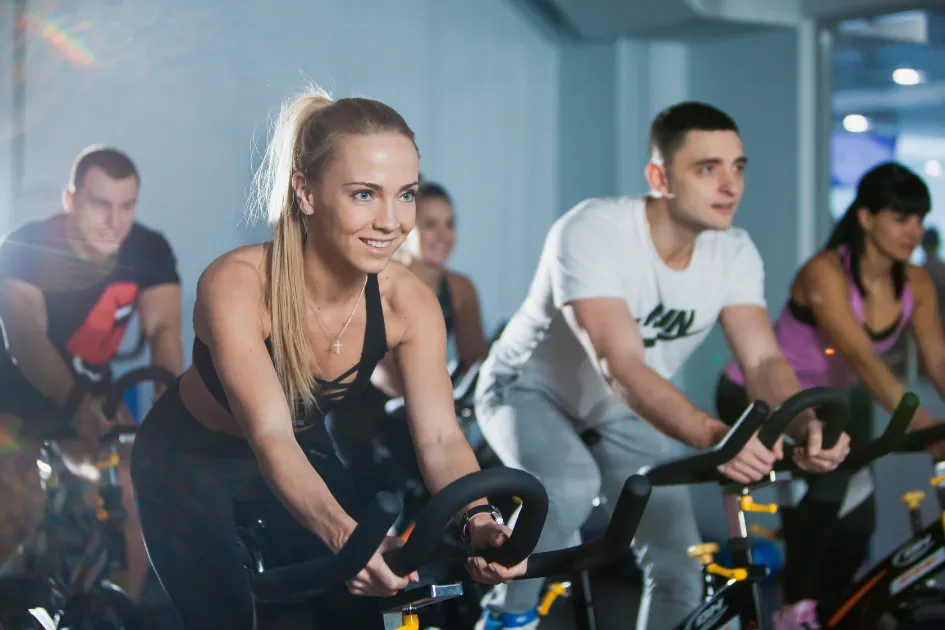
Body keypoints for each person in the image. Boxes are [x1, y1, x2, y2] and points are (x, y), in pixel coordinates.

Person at [129, 89, 526, 630]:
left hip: (302, 449)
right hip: (188, 460)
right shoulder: (238, 284)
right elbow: (269, 433)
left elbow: (438, 437)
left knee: (357, 615)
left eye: (405, 194)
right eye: (365, 194)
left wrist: (478, 518)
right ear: (306, 193)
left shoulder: (408, 303)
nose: (392, 222)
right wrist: (346, 537)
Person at [472, 102, 851, 630]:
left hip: (616, 409)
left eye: (738, 166)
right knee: (570, 484)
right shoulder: (592, 229)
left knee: (679, 562)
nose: (729, 184)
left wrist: (806, 425)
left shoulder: (735, 252)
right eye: (707, 168)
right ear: (659, 177)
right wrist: (717, 437)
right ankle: (505, 619)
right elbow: (619, 363)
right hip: (525, 388)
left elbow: (763, 359)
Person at [717, 161, 945, 628]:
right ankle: (791, 611)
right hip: (757, 396)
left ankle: (830, 609)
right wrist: (930, 433)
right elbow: (866, 361)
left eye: (920, 219)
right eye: (901, 218)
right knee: (831, 476)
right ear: (866, 217)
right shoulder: (825, 273)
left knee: (858, 523)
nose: (914, 231)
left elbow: (938, 362)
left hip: (826, 405)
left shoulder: (916, 283)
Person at [0, 145, 183, 599]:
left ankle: (131, 601)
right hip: (14, 396)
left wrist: (169, 399)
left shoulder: (148, 248)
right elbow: (25, 340)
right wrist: (76, 404)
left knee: (137, 473)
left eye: (127, 206)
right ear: (71, 201)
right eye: (100, 205)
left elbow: (163, 329)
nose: (115, 221)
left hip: (94, 393)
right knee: (19, 502)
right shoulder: (25, 247)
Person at [329, 180, 490, 517]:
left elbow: (477, 361)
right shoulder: (383, 278)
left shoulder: (459, 288)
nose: (443, 235)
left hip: (417, 398)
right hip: (363, 402)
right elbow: (379, 370)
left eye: (450, 223)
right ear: (406, 228)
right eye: (429, 224)